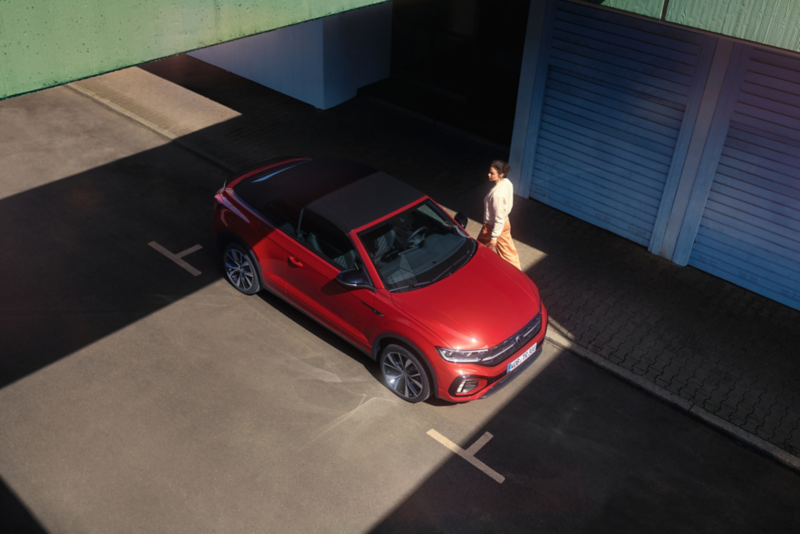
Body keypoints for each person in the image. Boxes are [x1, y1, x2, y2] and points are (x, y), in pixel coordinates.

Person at [478, 160, 521, 270]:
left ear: (501, 174)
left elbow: (498, 217)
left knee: (479, 250)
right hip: (505, 223)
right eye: (489, 172)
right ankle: (518, 273)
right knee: (509, 253)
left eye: (492, 173)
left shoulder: (497, 195)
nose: (489, 175)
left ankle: (476, 269)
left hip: (493, 227)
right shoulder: (507, 183)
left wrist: (494, 237)